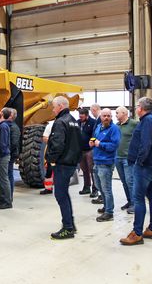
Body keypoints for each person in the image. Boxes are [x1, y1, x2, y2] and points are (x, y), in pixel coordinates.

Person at [120, 97, 152, 245]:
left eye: (137, 105)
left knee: (138, 198)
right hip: (150, 164)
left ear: (141, 108)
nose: (136, 108)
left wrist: (139, 162)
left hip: (145, 166)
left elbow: (145, 145)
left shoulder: (148, 121)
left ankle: (137, 233)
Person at [46, 96, 83, 239]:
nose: (53, 110)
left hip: (62, 164)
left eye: (54, 107)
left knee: (60, 195)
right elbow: (80, 143)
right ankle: (70, 224)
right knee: (64, 194)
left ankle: (67, 228)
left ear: (60, 106)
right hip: (71, 163)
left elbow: (57, 144)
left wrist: (50, 159)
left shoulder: (60, 122)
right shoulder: (74, 121)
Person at [90, 108, 120, 222]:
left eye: (108, 115)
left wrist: (100, 144)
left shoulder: (114, 129)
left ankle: (109, 212)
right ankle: (106, 206)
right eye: (104, 116)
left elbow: (114, 145)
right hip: (97, 161)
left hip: (106, 163)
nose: (106, 117)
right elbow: (95, 140)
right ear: (101, 117)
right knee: (99, 186)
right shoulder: (98, 127)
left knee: (106, 188)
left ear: (111, 117)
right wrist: (92, 143)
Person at [115, 106, 139, 214]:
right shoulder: (116, 126)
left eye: (117, 113)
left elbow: (141, 137)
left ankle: (135, 204)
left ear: (124, 113)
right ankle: (129, 201)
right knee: (124, 181)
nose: (115, 115)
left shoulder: (134, 124)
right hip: (118, 157)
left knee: (130, 181)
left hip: (128, 158)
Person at [77, 108, 97, 195]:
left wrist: (91, 143)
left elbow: (95, 134)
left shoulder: (93, 122)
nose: (80, 118)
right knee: (84, 169)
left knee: (92, 169)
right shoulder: (78, 122)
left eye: (82, 117)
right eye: (79, 116)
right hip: (81, 150)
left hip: (90, 150)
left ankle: (95, 189)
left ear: (87, 115)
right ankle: (86, 187)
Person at [89, 103, 102, 201]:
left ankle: (102, 195)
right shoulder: (98, 120)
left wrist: (94, 142)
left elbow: (98, 135)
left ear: (94, 109)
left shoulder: (100, 119)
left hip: (100, 151)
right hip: (97, 149)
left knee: (100, 174)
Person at [8, 108, 21, 198]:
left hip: (11, 154)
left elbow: (14, 143)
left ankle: (9, 195)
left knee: (9, 175)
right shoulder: (8, 126)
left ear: (11, 116)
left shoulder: (14, 128)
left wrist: (6, 152)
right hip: (9, 153)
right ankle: (4, 193)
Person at [40, 121, 55, 195]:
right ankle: (48, 188)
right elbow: (45, 138)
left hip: (60, 151)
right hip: (51, 150)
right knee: (49, 170)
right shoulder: (50, 125)